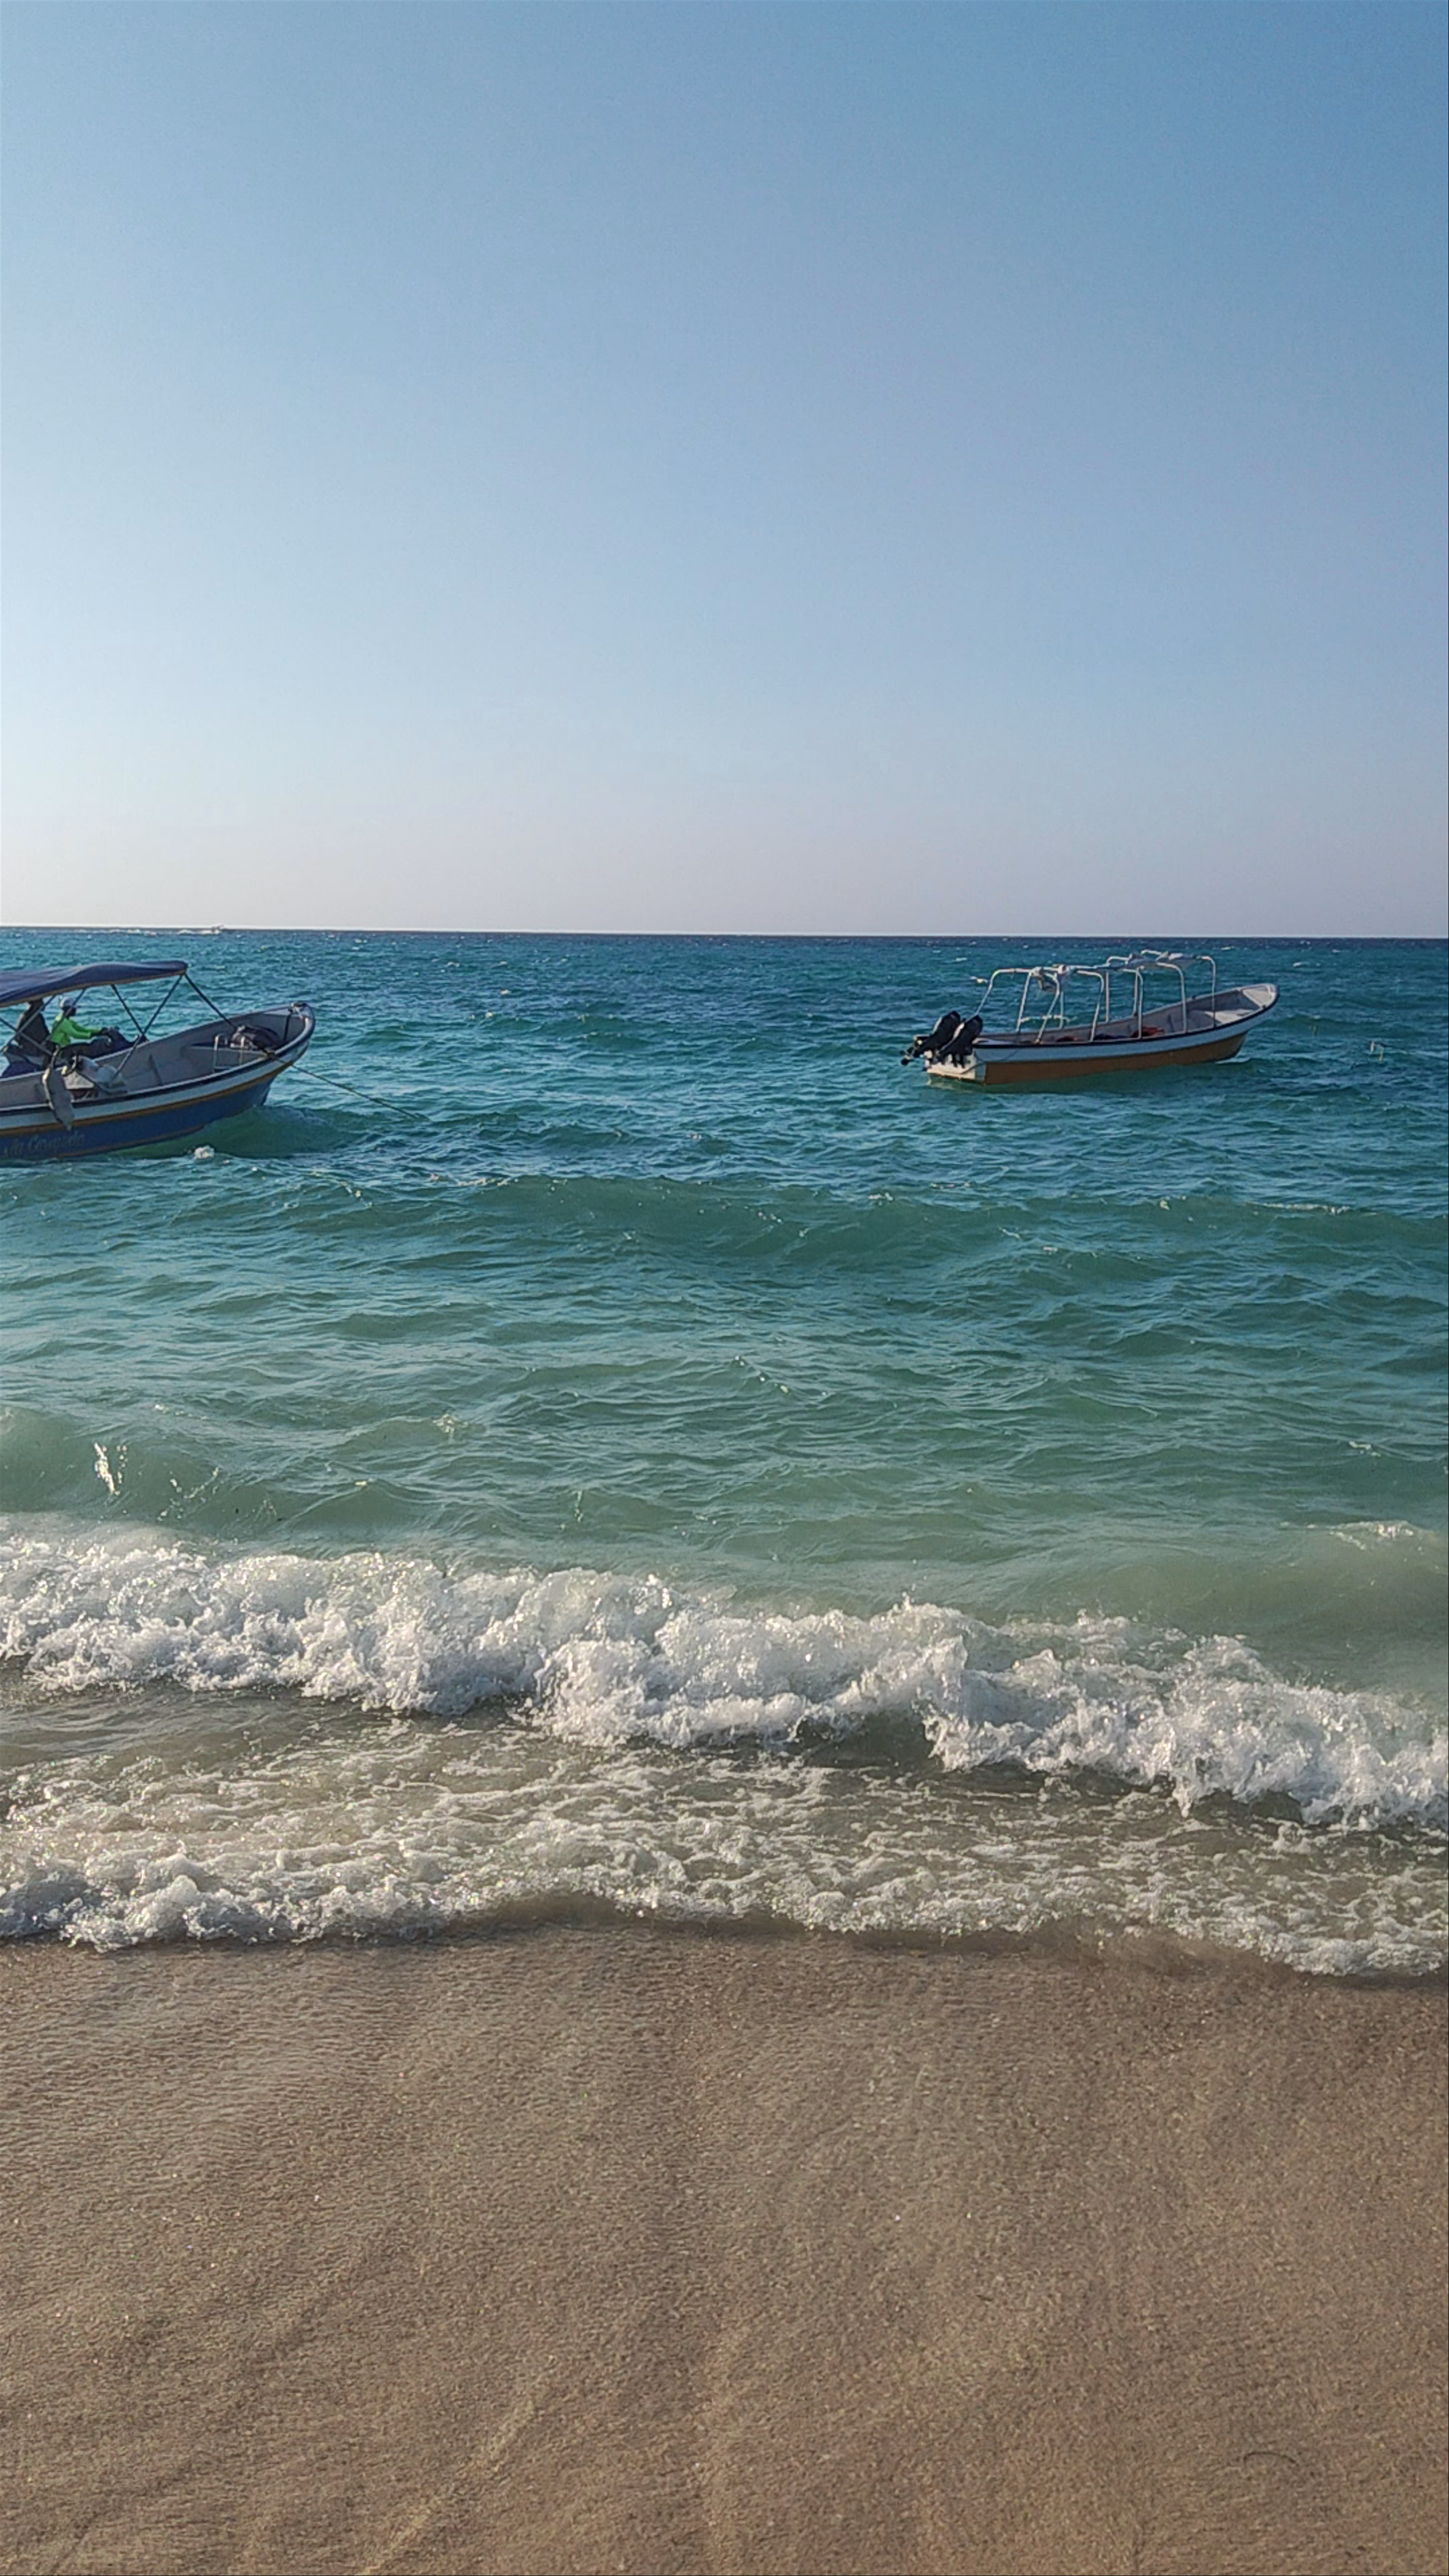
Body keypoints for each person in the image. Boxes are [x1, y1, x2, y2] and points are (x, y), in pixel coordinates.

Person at [4, 997, 52, 1073]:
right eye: (41, 1002)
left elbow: (17, 1037)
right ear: (37, 1004)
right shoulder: (37, 1018)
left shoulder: (24, 1016)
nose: (43, 1005)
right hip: (34, 1050)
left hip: (27, 1047)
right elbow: (44, 1036)